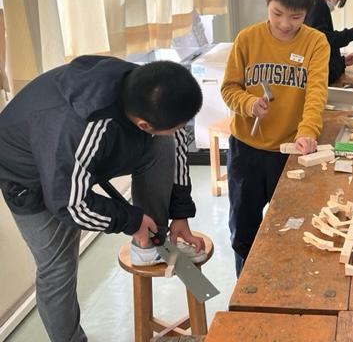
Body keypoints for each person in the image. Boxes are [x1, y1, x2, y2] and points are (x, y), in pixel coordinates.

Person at [0, 57, 205, 342]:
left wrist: (180, 213)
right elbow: (70, 204)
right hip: (29, 177)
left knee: (164, 140)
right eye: (176, 125)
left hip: (78, 155)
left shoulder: (151, 92)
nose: (180, 129)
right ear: (144, 124)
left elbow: (177, 140)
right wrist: (131, 220)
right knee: (57, 268)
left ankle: (148, 244)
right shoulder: (79, 126)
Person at [221, 0, 330, 276]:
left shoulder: (315, 43)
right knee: (244, 230)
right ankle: (245, 286)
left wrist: (308, 132)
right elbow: (229, 89)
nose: (285, 24)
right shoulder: (247, 39)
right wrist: (248, 103)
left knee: (294, 227)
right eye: (277, 13)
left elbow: (316, 93)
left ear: (308, 11)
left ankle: (288, 286)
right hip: (247, 151)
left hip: (291, 152)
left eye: (296, 17)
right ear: (267, 2)